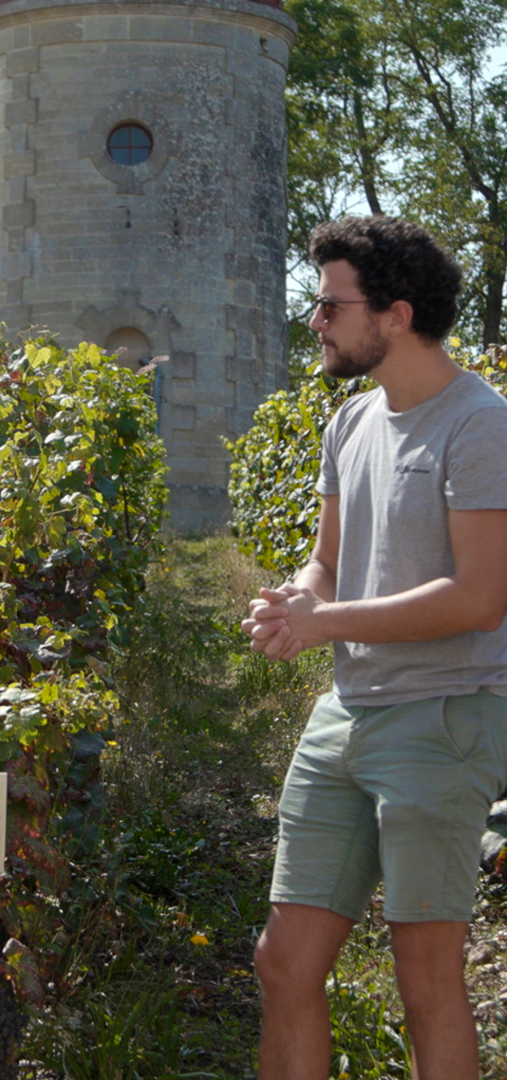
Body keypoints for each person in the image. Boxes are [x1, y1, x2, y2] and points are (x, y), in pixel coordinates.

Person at [242, 215, 507, 1079]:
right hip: (346, 716)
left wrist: (330, 621)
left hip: (443, 719)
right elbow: (327, 562)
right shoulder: (351, 423)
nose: (314, 321)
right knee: (282, 963)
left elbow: (479, 598)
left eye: (330, 305)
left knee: (425, 976)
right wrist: (295, 603)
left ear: (395, 315)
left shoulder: (479, 426)